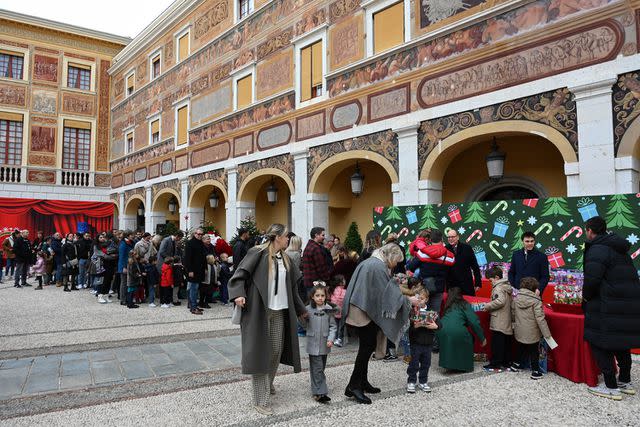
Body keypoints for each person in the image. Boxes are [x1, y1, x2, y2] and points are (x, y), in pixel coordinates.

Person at [228, 223, 307, 416]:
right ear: (277, 237)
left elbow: (292, 289)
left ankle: (267, 383)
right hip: (259, 311)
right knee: (259, 354)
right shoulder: (258, 253)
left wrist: (301, 310)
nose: (288, 239)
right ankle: (260, 400)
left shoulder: (286, 259)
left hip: (280, 311)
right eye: (286, 236)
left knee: (275, 352)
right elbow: (238, 276)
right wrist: (238, 294)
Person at [342, 243, 411, 405]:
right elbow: (386, 293)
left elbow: (382, 290)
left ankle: (362, 382)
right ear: (390, 256)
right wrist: (407, 300)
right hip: (362, 311)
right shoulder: (378, 266)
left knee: (367, 346)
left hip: (361, 308)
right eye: (396, 261)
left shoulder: (371, 262)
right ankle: (353, 386)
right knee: (366, 347)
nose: (396, 265)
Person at [583, 216, 640, 400]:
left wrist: (586, 297)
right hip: (624, 303)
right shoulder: (619, 248)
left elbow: (592, 280)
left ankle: (610, 386)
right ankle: (625, 381)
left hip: (605, 304)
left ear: (590, 231)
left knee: (599, 342)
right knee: (621, 342)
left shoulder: (597, 249)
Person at [510, 277, 552, 380]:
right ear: (534, 288)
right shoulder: (536, 301)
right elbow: (540, 319)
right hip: (532, 331)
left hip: (519, 329)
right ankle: (535, 371)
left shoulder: (516, 298)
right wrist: (547, 334)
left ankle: (515, 365)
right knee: (534, 351)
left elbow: (513, 313)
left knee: (521, 347)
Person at [437, 287, 486, 372]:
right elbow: (474, 322)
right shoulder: (464, 304)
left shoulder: (448, 305)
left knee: (449, 344)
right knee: (467, 339)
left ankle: (448, 365)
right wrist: (482, 338)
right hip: (457, 331)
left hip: (441, 330)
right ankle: (463, 366)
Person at [304, 282, 337, 404]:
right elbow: (302, 325)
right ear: (312, 296)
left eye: (322, 295)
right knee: (317, 368)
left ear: (326, 296)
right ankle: (321, 393)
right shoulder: (307, 309)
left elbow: (333, 326)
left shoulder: (329, 309)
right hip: (313, 343)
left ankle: (315, 390)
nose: (320, 298)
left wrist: (331, 338)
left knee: (319, 368)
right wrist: (303, 318)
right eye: (317, 295)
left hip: (324, 344)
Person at [406, 285, 439, 393]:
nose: (420, 300)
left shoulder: (431, 311)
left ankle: (423, 381)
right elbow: (409, 328)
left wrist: (436, 326)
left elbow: (440, 323)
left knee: (426, 363)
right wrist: (416, 326)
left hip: (428, 343)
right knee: (414, 364)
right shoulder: (412, 311)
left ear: (427, 299)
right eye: (418, 298)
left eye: (422, 298)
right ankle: (411, 381)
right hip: (416, 342)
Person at [482, 266, 513, 372]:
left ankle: (495, 364)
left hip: (498, 318)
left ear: (496, 277)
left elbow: (500, 301)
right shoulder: (506, 286)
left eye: (490, 280)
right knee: (505, 342)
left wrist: (487, 306)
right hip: (505, 318)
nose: (490, 282)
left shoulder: (498, 288)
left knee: (497, 343)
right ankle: (506, 363)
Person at [508, 231, 549, 296]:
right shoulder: (516, 254)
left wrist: (539, 289)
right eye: (527, 241)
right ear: (522, 242)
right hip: (517, 292)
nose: (530, 243)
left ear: (534, 241)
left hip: (534, 292)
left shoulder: (542, 256)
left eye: (532, 241)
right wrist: (513, 286)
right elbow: (511, 272)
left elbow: (545, 276)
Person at [446, 229, 482, 296]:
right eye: (449, 237)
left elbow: (475, 266)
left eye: (452, 237)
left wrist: (478, 283)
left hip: (466, 285)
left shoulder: (467, 248)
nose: (450, 239)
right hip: (452, 287)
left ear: (458, 237)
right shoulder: (445, 249)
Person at [184, 228, 207, 315]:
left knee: (194, 288)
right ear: (195, 234)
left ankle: (192, 305)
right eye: (198, 234)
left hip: (200, 270)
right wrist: (190, 270)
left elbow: (203, 257)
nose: (200, 235)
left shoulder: (201, 243)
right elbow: (187, 258)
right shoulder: (190, 243)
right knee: (193, 288)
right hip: (193, 270)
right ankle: (193, 307)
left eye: (201, 234)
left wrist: (205, 268)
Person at [329, 275, 347, 347]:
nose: (345, 281)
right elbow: (342, 299)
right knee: (341, 326)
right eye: (344, 280)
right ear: (341, 282)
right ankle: (339, 339)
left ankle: (334, 338)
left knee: (334, 325)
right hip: (341, 311)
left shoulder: (334, 289)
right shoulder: (343, 291)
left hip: (334, 311)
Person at [118, 231, 135, 303]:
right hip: (124, 265)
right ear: (127, 236)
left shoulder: (131, 243)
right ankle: (123, 299)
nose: (133, 236)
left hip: (130, 265)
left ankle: (129, 298)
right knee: (124, 283)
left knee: (129, 283)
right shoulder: (123, 244)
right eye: (131, 235)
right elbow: (122, 256)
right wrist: (123, 267)